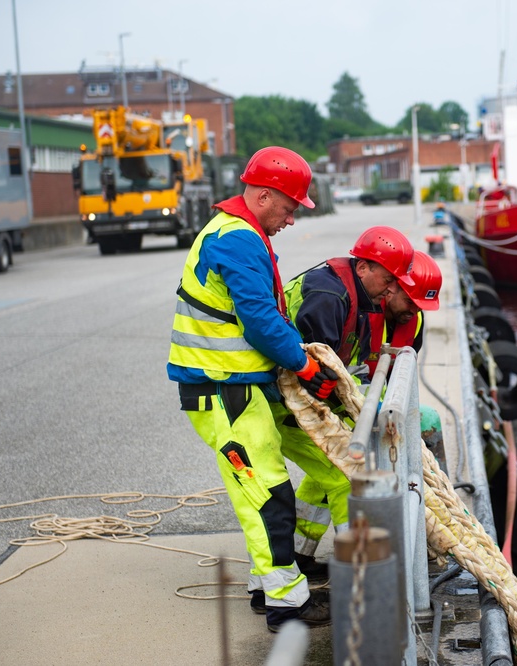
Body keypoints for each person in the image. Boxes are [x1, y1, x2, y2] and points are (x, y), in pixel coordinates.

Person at [166, 146, 339, 634]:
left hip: (231, 389)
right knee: (268, 497)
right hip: (222, 391)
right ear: (264, 196)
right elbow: (261, 322)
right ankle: (286, 606)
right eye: (288, 208)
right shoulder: (239, 239)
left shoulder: (237, 232)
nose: (290, 219)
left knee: (260, 494)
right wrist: (306, 366)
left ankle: (268, 587)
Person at [277, 226, 417, 575]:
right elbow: (315, 367)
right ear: (362, 268)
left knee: (323, 477)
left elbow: (350, 369)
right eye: (387, 279)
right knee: (346, 479)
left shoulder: (360, 297)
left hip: (302, 403)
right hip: (284, 404)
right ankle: (363, 575)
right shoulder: (328, 297)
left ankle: (300, 555)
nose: (391, 289)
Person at [362, 250, 442, 377]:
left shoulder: (417, 320)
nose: (414, 312)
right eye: (409, 302)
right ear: (391, 289)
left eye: (420, 307)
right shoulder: (363, 316)